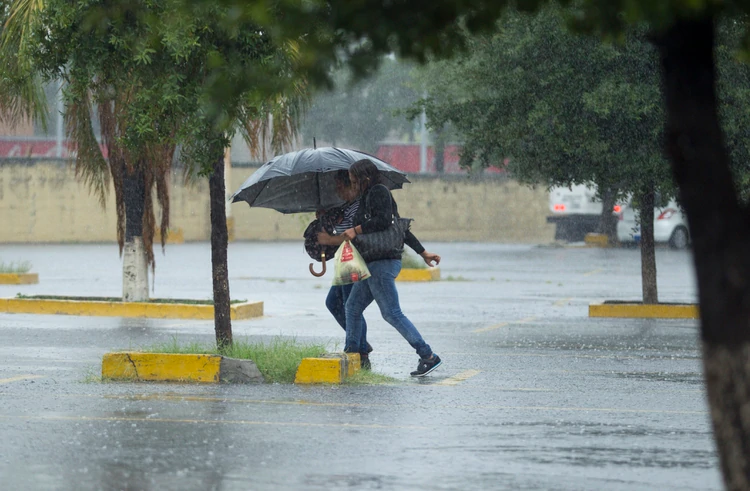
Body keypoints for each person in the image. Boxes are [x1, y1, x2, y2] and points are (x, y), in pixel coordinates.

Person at [340, 158, 443, 377]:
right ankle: (351, 354)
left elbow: (386, 222)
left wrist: (356, 230)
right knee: (352, 307)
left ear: (365, 178)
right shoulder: (366, 197)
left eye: (354, 181)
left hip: (384, 262)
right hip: (373, 262)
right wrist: (423, 253)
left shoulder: (379, 192)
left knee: (391, 313)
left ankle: (428, 356)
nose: (353, 185)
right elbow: (400, 228)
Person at [316, 171, 373, 364]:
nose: (338, 192)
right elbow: (342, 230)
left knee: (352, 307)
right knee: (334, 302)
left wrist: (328, 239)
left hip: (354, 262)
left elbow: (350, 235)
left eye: (341, 187)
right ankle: (361, 342)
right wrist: (324, 218)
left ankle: (361, 350)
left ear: (352, 185)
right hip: (345, 262)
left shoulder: (359, 207)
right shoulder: (348, 206)